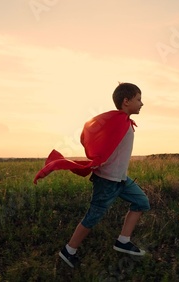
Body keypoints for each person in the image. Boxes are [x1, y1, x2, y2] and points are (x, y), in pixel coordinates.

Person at [34, 82, 150, 268]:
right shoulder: (117, 121)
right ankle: (68, 251)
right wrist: (96, 159)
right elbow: (101, 140)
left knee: (142, 202)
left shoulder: (124, 122)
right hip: (107, 180)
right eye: (139, 99)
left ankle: (123, 240)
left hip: (121, 179)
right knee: (93, 216)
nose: (142, 103)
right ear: (126, 101)